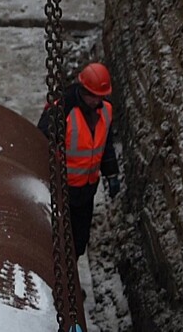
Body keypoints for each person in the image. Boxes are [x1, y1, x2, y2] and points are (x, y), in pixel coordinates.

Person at [37, 62, 121, 258]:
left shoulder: (106, 111)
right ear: (83, 89)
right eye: (92, 96)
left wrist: (111, 174)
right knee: (59, 242)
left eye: (100, 97)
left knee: (78, 242)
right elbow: (41, 139)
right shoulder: (63, 110)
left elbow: (105, 144)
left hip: (86, 189)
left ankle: (71, 278)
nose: (96, 101)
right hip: (62, 189)